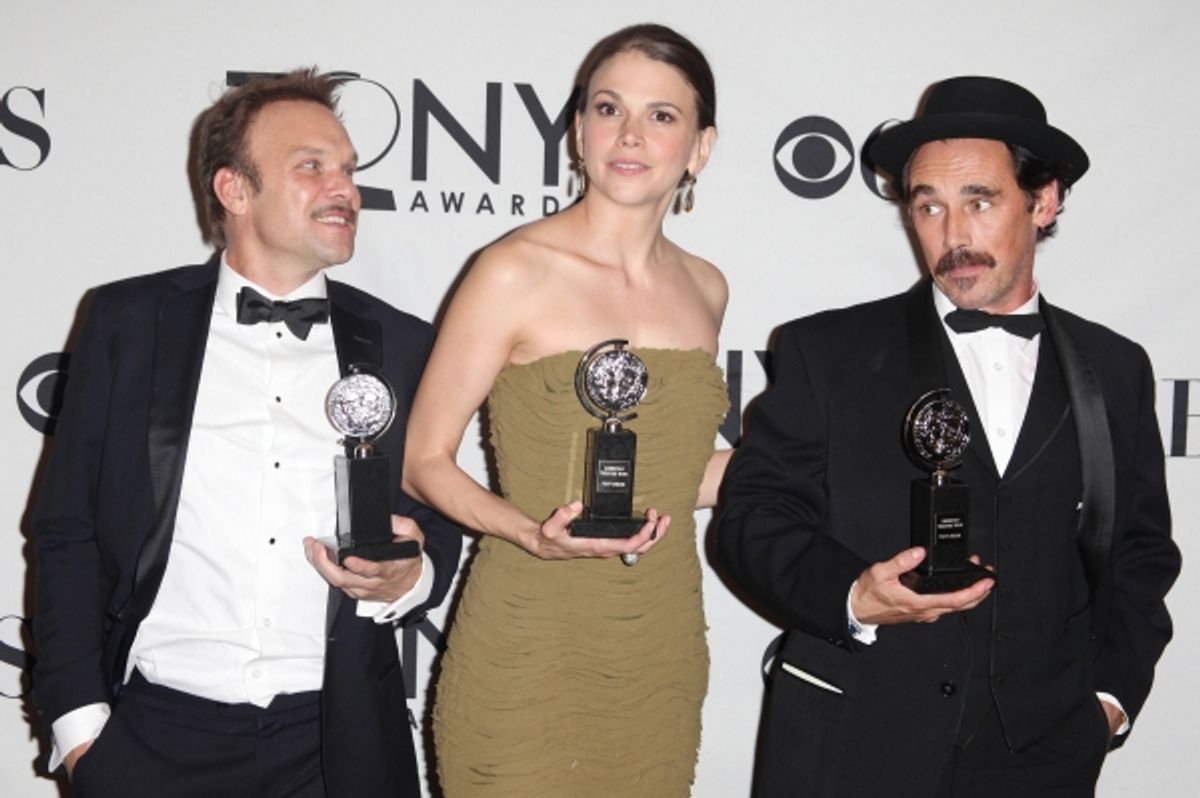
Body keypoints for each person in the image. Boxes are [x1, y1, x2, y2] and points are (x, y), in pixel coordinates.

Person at [715, 76, 1180, 797]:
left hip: (1042, 758)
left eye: (980, 201)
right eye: (927, 205)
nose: (952, 235)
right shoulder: (826, 352)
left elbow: (1141, 553)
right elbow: (752, 521)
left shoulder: (1114, 368)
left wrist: (1109, 703)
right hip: (850, 744)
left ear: (1045, 200)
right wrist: (852, 596)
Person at [32, 68, 461, 798]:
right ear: (234, 190)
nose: (345, 190)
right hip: (153, 741)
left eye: (350, 170)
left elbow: (435, 521)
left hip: (338, 745)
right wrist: (80, 732)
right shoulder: (126, 324)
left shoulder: (406, 343)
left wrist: (409, 575)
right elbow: (65, 529)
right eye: (311, 167)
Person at [402, 23, 727, 798]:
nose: (630, 134)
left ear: (700, 147)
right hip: (529, 631)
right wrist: (527, 534)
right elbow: (421, 462)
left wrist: (823, 459)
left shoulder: (707, 289)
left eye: (661, 115)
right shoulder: (513, 271)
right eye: (608, 108)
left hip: (659, 641)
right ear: (579, 130)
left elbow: (681, 473)